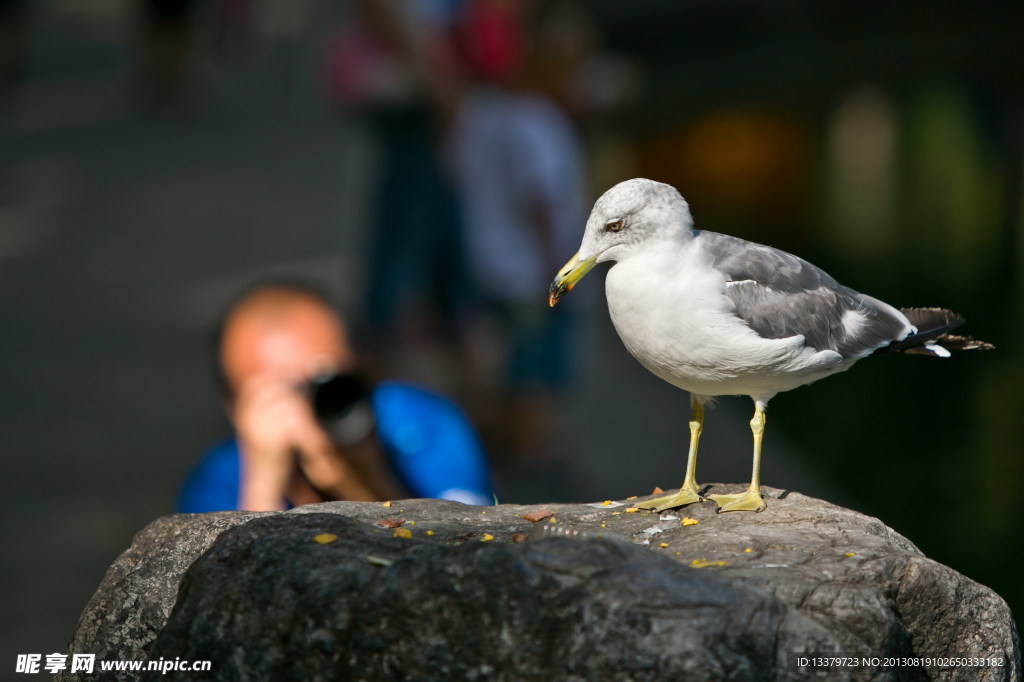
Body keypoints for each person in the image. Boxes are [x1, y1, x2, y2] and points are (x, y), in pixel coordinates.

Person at [178, 281, 492, 512]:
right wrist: (262, 488)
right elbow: (232, 594)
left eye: (327, 383)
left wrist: (360, 483)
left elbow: (464, 554)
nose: (311, 406)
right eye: (285, 392)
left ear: (358, 363)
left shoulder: (418, 423)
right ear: (234, 407)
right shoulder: (221, 480)